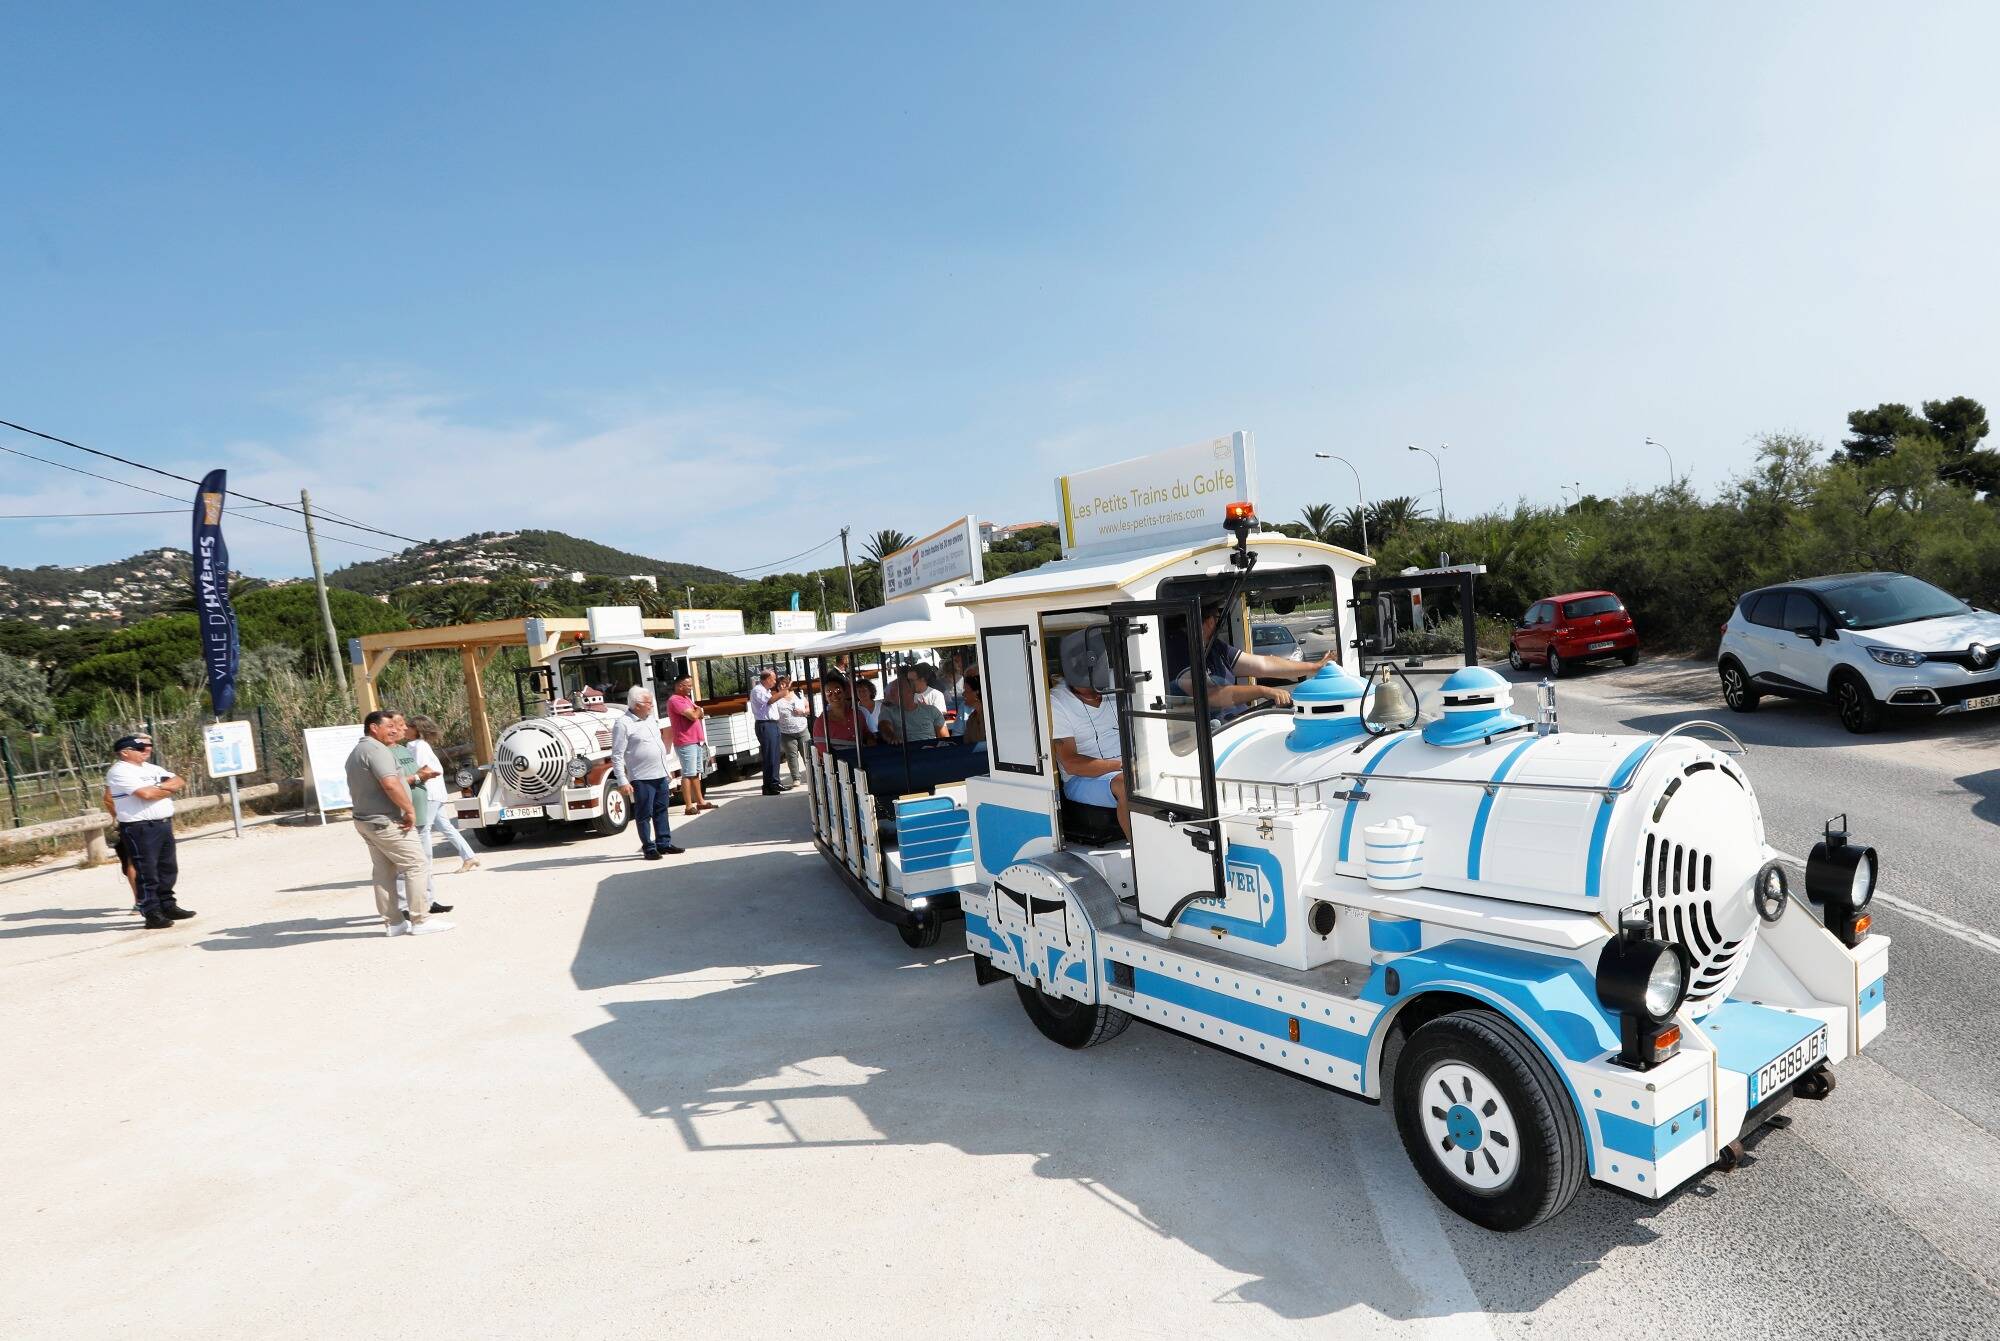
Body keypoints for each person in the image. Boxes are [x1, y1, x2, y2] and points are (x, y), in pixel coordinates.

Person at [347, 709, 451, 937]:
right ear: (374, 728)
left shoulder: (357, 751)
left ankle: (394, 923)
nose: (394, 730)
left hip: (366, 820)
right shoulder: (377, 750)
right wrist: (409, 809)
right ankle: (420, 919)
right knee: (416, 864)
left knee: (384, 871)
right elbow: (391, 784)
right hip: (386, 821)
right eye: (389, 727)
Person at [1173, 600, 1334, 714]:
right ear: (1208, 621)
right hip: (1210, 736)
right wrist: (1262, 691)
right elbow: (1211, 695)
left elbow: (1263, 664)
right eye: (1217, 617)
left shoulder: (1214, 647)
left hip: (1235, 721)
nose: (1217, 623)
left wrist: (1315, 667)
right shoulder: (1178, 649)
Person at [104, 734, 191, 928]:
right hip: (140, 827)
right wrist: (164, 789)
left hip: (162, 824)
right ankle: (151, 912)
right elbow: (145, 794)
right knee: (147, 871)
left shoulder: (153, 768)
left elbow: (179, 781)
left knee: (167, 868)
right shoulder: (119, 771)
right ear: (125, 753)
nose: (146, 751)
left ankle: (167, 905)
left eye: (147, 747)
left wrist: (157, 788)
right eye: (140, 749)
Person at [1050, 628, 1129, 838]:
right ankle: (1146, 858)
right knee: (1128, 786)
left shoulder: (1116, 680)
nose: (1096, 688)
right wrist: (1124, 765)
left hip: (1127, 767)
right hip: (1081, 779)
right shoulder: (1056, 701)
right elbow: (1071, 763)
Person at [612, 686, 684, 860]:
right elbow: (617, 754)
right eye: (648, 703)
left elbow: (657, 746)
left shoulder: (650, 719)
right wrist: (622, 780)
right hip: (641, 777)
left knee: (662, 810)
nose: (652, 706)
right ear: (637, 705)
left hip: (660, 774)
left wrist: (666, 771)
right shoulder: (623, 724)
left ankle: (664, 843)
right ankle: (649, 847)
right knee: (644, 813)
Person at [393, 718, 449, 917]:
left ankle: (427, 899)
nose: (404, 729)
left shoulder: (414, 746)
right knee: (417, 854)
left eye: (406, 726)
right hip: (425, 798)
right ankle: (416, 902)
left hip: (428, 797)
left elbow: (424, 771)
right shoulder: (409, 747)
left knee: (424, 851)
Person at [408, 715, 477, 873]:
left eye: (408, 727)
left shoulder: (418, 746)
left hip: (429, 792)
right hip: (435, 792)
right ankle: (469, 857)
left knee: (423, 829)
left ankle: (425, 869)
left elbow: (421, 769)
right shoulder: (419, 745)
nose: (405, 729)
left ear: (416, 729)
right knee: (446, 827)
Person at [665, 675, 717, 816]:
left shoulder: (686, 699)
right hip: (685, 741)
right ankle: (688, 806)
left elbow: (698, 712)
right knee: (688, 774)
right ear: (680, 686)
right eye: (688, 685)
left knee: (696, 773)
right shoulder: (675, 700)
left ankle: (700, 801)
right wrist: (697, 711)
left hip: (695, 741)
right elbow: (694, 715)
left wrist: (697, 711)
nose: (690, 688)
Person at [877, 666, 950, 745]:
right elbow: (884, 727)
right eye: (891, 690)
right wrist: (891, 737)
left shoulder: (932, 710)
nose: (891, 693)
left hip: (930, 752)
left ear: (908, 691)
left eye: (895, 690)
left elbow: (945, 739)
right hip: (905, 754)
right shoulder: (888, 711)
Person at [769, 675, 812, 787]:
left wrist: (802, 712)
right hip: (786, 732)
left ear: (788, 684)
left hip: (802, 729)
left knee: (807, 754)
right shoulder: (776, 699)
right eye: (779, 685)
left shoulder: (798, 695)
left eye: (783, 684)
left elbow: (809, 709)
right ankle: (796, 778)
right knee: (791, 756)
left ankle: (812, 775)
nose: (781, 686)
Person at [750, 667, 786, 794]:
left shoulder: (767, 690)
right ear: (766, 679)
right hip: (765, 724)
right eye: (773, 679)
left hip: (773, 724)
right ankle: (769, 785)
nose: (775, 681)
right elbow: (769, 701)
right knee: (769, 755)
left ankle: (775, 782)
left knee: (775, 755)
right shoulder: (758, 690)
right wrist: (782, 693)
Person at [813, 674, 868, 749]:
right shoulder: (821, 723)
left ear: (845, 692)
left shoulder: (858, 715)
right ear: (825, 697)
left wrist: (870, 739)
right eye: (829, 693)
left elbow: (866, 735)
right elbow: (823, 752)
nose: (834, 696)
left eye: (838, 691)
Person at [959, 670, 987, 748]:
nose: (963, 694)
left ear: (977, 693)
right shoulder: (972, 717)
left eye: (966, 691)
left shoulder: (991, 718)